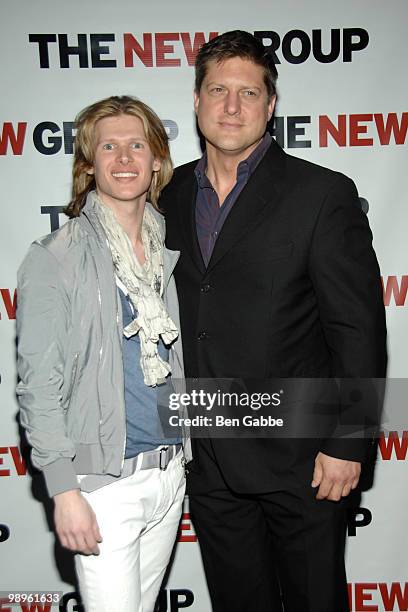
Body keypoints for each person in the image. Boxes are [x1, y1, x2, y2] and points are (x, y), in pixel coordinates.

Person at [159, 31, 387, 611]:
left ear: (270, 105)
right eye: (218, 90)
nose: (232, 106)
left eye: (248, 92)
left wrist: (349, 441)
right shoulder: (168, 193)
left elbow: (358, 329)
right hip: (208, 457)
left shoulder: (321, 194)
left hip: (305, 461)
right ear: (196, 100)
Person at [16, 95, 190, 612]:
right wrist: (65, 492)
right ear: (89, 165)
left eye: (136, 145)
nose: (123, 158)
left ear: (157, 159)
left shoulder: (167, 249)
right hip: (102, 486)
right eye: (108, 147)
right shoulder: (56, 257)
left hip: (168, 473)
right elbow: (38, 386)